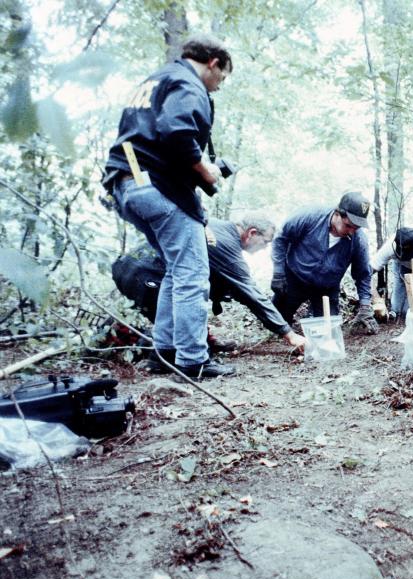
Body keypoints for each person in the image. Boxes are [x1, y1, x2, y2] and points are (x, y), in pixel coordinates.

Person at [102, 35, 235, 380]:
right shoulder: (188, 83)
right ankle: (193, 361)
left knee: (176, 273)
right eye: (221, 78)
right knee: (192, 275)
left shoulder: (156, 80)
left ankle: (164, 353)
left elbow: (155, 134)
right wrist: (206, 170)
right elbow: (176, 131)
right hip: (157, 188)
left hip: (127, 183)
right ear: (213, 63)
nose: (218, 86)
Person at [112, 215, 308, 368]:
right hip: (143, 273)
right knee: (173, 318)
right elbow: (251, 295)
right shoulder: (225, 245)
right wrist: (289, 334)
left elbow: (235, 289)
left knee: (191, 296)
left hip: (131, 268)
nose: (265, 248)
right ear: (252, 233)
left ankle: (194, 345)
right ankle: (160, 359)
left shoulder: (218, 228)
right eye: (266, 242)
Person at [270, 192, 379, 334]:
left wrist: (365, 306)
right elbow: (281, 239)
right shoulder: (309, 216)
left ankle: (313, 314)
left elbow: (363, 274)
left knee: (329, 332)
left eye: (356, 228)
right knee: (275, 324)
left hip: (326, 289)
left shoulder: (358, 240)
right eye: (348, 226)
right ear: (338, 213)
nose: (352, 232)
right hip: (295, 278)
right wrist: (278, 272)